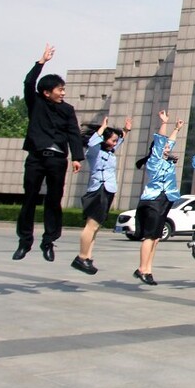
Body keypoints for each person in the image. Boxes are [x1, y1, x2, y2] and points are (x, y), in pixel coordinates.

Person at [14, 44, 85, 262]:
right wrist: (41, 62)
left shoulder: (67, 109)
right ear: (47, 92)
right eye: (59, 89)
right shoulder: (36, 103)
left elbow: (74, 133)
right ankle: (25, 241)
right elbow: (28, 83)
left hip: (57, 160)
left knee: (54, 200)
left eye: (63, 89)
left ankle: (49, 241)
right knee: (29, 198)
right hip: (36, 158)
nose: (63, 93)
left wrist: (77, 157)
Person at [71, 115, 131, 274]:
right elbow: (92, 142)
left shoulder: (110, 152)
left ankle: (88, 257)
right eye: (112, 140)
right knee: (92, 225)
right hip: (98, 189)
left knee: (96, 226)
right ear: (103, 139)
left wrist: (125, 130)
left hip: (108, 189)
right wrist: (102, 128)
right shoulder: (94, 151)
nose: (114, 143)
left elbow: (120, 141)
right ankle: (81, 257)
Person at [132, 110, 184, 285]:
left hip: (164, 200)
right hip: (153, 200)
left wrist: (176, 129)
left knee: (156, 237)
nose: (168, 148)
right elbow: (162, 141)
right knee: (150, 236)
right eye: (164, 148)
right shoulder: (155, 160)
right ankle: (142, 269)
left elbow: (169, 142)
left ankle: (147, 269)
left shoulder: (166, 161)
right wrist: (164, 123)